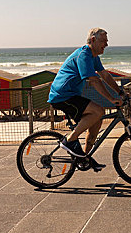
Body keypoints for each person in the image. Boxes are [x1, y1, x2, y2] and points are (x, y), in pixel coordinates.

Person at [48, 28, 124, 170]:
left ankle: (84, 158)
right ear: (93, 40)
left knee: (97, 120)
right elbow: (94, 80)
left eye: (107, 41)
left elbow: (105, 76)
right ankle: (69, 140)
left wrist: (120, 92)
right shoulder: (84, 55)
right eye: (103, 41)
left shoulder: (94, 56)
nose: (106, 44)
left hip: (71, 95)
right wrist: (111, 99)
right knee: (98, 111)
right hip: (62, 95)